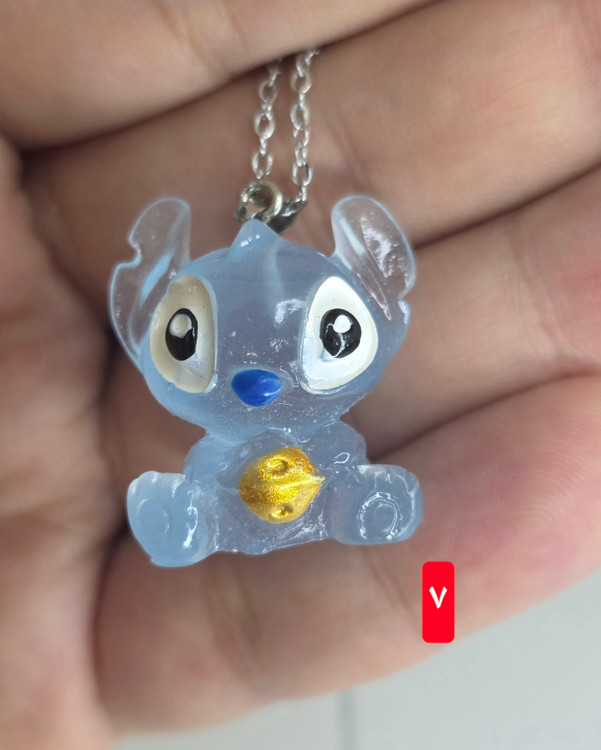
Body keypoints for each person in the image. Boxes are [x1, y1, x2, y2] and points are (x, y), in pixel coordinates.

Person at [2, 0, 600, 746]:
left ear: (378, 314)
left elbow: (423, 578)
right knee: (204, 504)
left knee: (351, 489)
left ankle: (355, 509)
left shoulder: (334, 415)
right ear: (144, 320)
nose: (260, 384)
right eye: (187, 338)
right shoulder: (205, 422)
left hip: (320, 493)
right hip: (222, 502)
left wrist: (355, 494)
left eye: (329, 337)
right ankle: (189, 524)